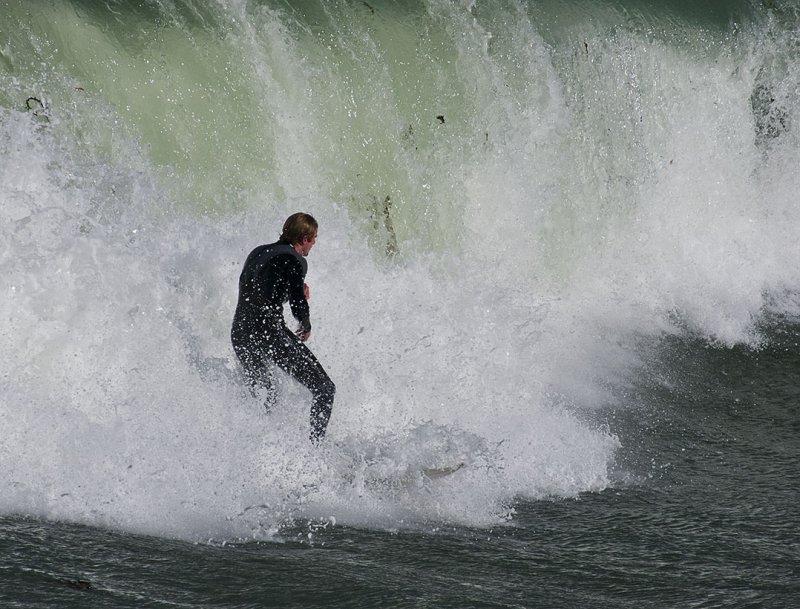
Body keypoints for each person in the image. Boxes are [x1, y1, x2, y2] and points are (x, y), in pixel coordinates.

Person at [231, 213, 335, 443]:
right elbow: (296, 300)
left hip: (240, 334)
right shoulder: (294, 259)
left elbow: (263, 291)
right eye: (314, 238)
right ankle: (315, 452)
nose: (315, 243)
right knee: (325, 390)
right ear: (305, 237)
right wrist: (304, 322)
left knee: (266, 399)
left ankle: (255, 449)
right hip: (268, 334)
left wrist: (292, 287)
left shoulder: (258, 252)